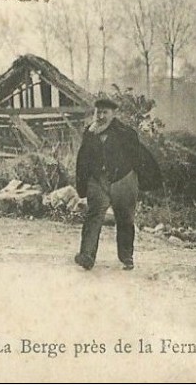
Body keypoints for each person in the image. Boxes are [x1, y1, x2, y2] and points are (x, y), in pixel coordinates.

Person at [74, 97, 162, 271]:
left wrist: (145, 179)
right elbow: (82, 159)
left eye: (105, 113)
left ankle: (126, 257)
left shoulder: (125, 132)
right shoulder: (89, 133)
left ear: (113, 114)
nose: (100, 116)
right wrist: (83, 183)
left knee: (125, 219)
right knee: (93, 216)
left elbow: (138, 155)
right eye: (98, 112)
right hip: (98, 181)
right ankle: (87, 256)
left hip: (123, 179)